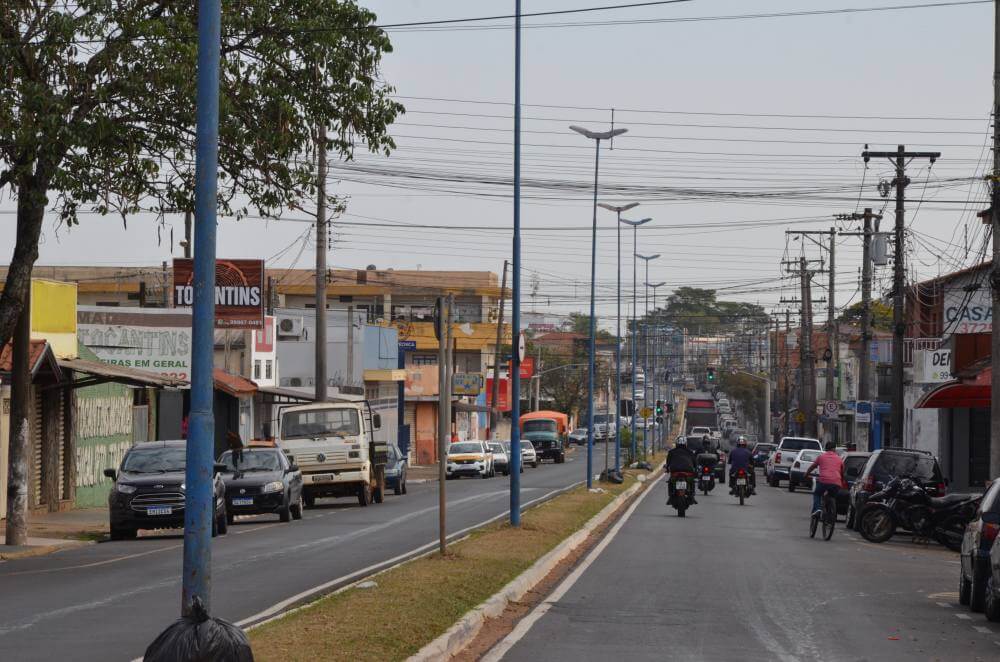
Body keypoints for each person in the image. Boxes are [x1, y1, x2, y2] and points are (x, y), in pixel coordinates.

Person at [804, 441, 846, 515]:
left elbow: (812, 467)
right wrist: (842, 482)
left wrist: (806, 475)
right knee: (832, 495)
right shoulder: (839, 459)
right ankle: (831, 510)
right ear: (834, 449)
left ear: (826, 449)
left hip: (823, 481)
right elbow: (842, 472)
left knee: (817, 494)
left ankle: (817, 509)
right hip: (836, 482)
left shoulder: (821, 457)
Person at [666, 437, 698, 504]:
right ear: (686, 443)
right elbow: (695, 463)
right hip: (688, 472)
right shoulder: (690, 452)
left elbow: (668, 463)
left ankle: (670, 496)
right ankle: (692, 495)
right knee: (692, 481)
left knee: (670, 482)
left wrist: (667, 468)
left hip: (675, 471)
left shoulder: (671, 452)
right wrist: (695, 469)